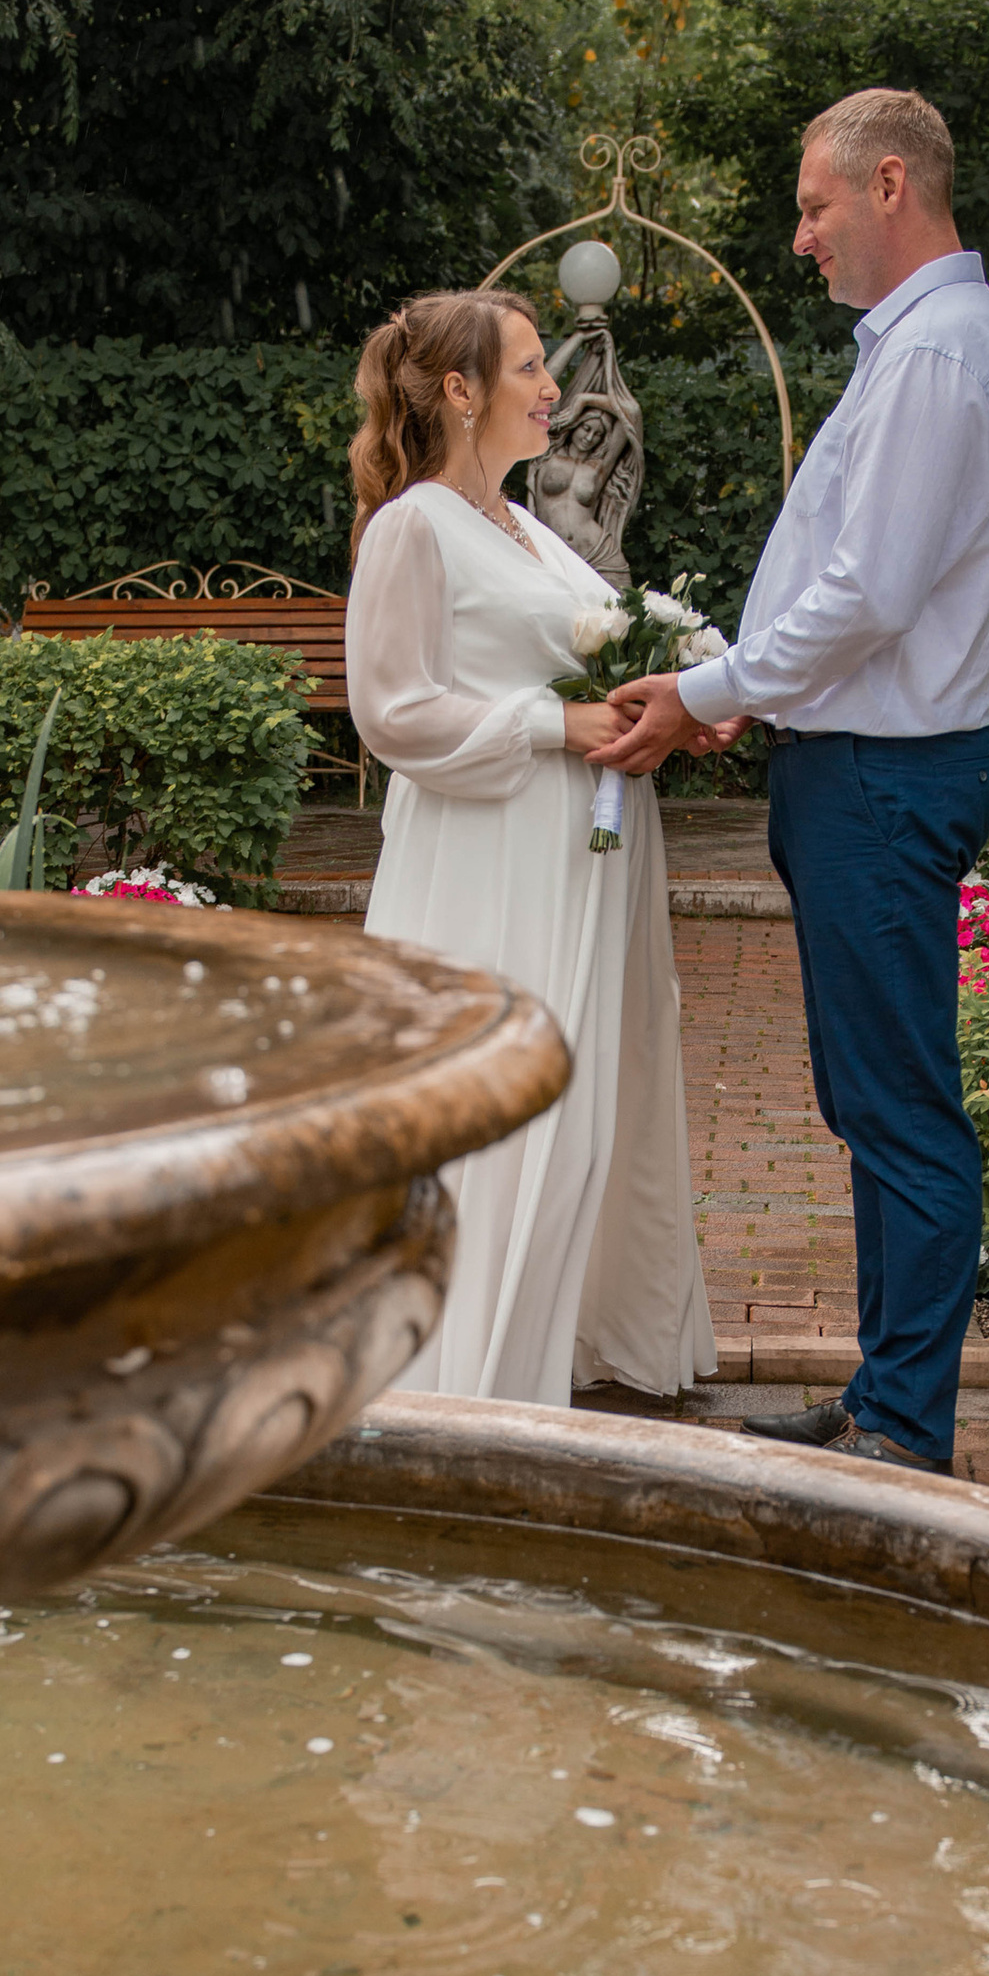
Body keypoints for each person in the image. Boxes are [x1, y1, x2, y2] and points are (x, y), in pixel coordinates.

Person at [599, 85, 989, 1475]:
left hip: (884, 778)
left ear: (890, 183)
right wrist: (749, 692)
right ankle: (882, 1391)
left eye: (814, 204)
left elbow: (868, 591)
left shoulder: (935, 354)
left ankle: (907, 1425)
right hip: (860, 763)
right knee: (869, 1097)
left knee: (899, 1104)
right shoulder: (926, 344)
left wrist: (709, 694)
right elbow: (852, 592)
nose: (802, 236)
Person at [344, 288, 717, 1407]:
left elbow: (602, 635)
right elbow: (391, 712)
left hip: (577, 856)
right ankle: (458, 1361)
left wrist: (695, 687)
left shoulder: (524, 526)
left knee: (586, 1094)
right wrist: (555, 724)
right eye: (525, 369)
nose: (553, 387)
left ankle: (563, 1329)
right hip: (487, 861)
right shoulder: (412, 524)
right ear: (459, 392)